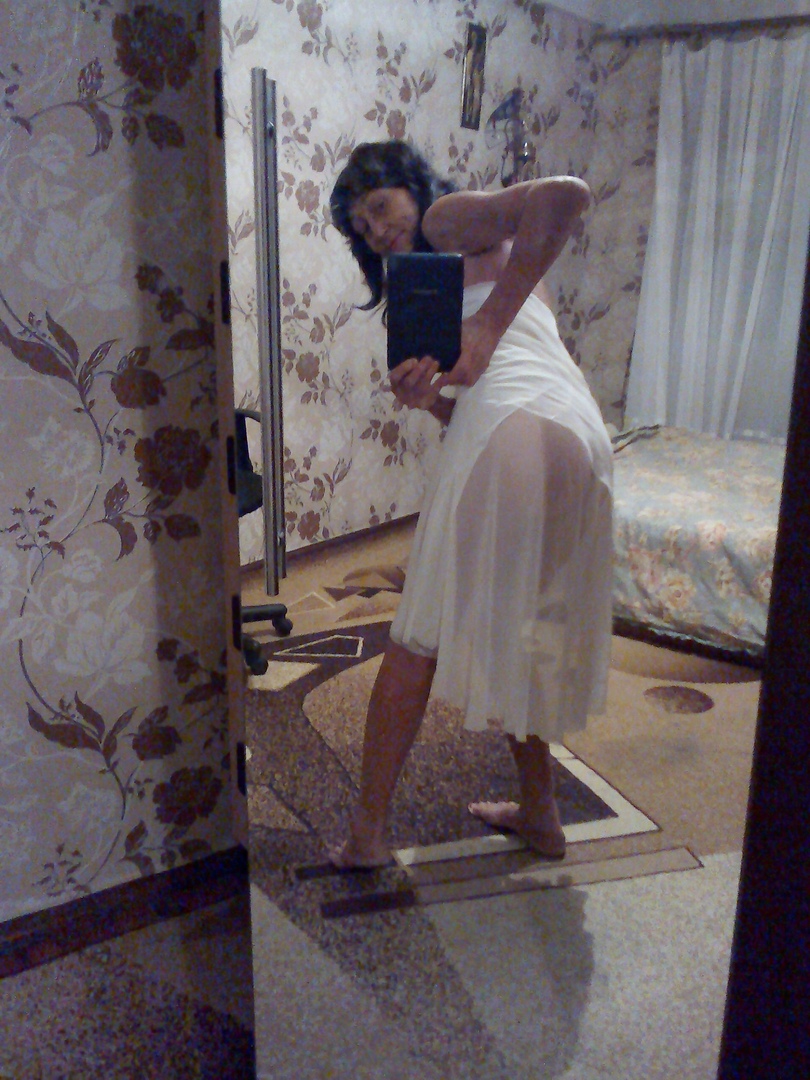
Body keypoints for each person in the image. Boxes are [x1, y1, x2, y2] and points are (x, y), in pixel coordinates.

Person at [328, 140, 613, 868]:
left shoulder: (448, 220)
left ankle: (366, 836)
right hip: (576, 435)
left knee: (414, 639)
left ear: (413, 187)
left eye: (380, 207)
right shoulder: (425, 286)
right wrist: (427, 401)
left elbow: (567, 194)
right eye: (362, 227)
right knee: (525, 627)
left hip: (515, 427)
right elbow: (463, 411)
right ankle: (542, 814)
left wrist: (485, 328)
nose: (378, 230)